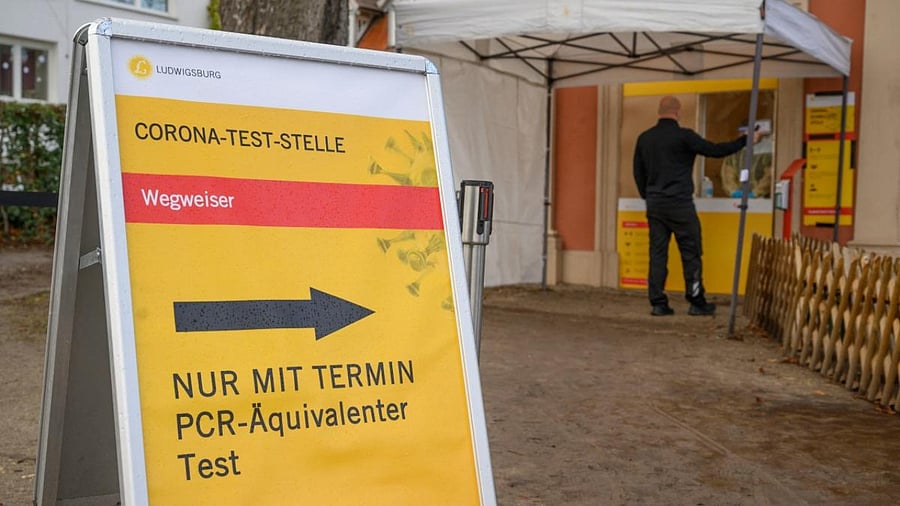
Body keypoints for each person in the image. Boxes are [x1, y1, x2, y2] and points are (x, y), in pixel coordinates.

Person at [633, 95, 762, 316]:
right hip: (681, 204)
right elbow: (715, 150)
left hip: (655, 205)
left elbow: (638, 173)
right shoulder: (685, 137)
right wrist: (746, 140)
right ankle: (696, 300)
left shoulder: (645, 138)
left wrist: (649, 196)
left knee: (657, 253)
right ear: (678, 112)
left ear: (659, 111)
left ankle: (658, 303)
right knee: (691, 252)